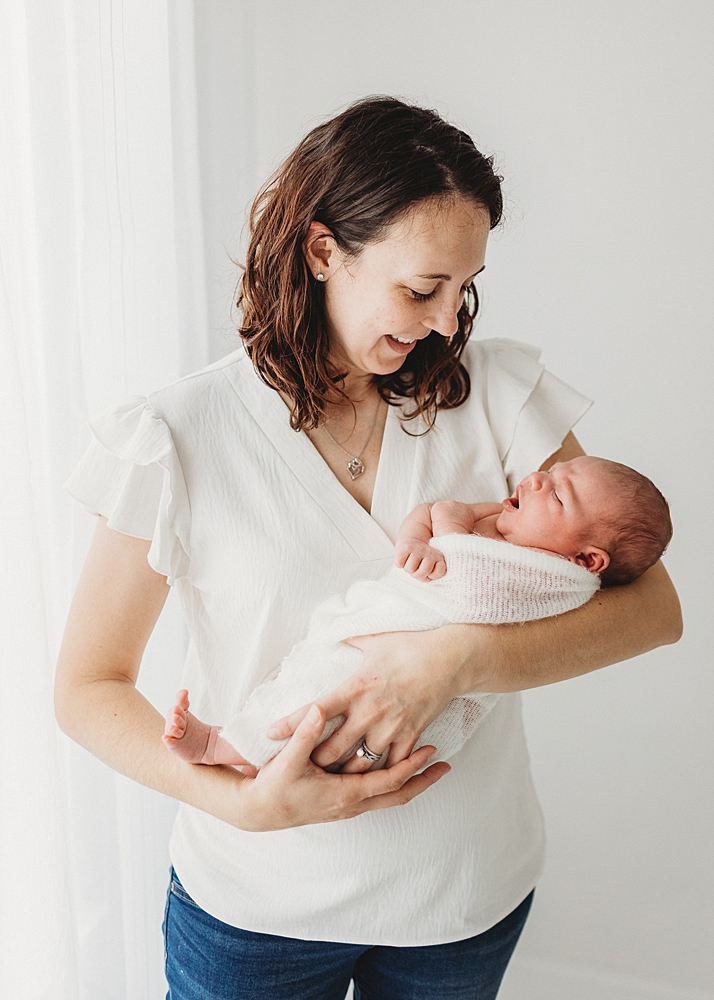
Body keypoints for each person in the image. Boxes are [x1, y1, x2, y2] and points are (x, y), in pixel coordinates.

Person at [55, 97, 682, 1000]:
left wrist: (452, 660)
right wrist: (235, 798)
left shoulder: (496, 392)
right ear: (322, 253)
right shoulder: (176, 435)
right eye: (421, 289)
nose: (440, 322)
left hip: (463, 900)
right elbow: (86, 688)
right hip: (256, 911)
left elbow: (653, 610)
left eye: (461, 292)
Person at [162, 455, 672, 772]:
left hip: (411, 671)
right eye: (551, 473)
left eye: (557, 493)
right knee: (309, 686)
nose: (537, 478)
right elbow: (428, 518)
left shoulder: (554, 581)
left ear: (586, 560)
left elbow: (473, 592)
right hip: (387, 636)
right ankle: (255, 759)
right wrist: (416, 538)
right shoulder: (513, 531)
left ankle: (219, 746)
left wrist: (450, 525)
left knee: (320, 697)